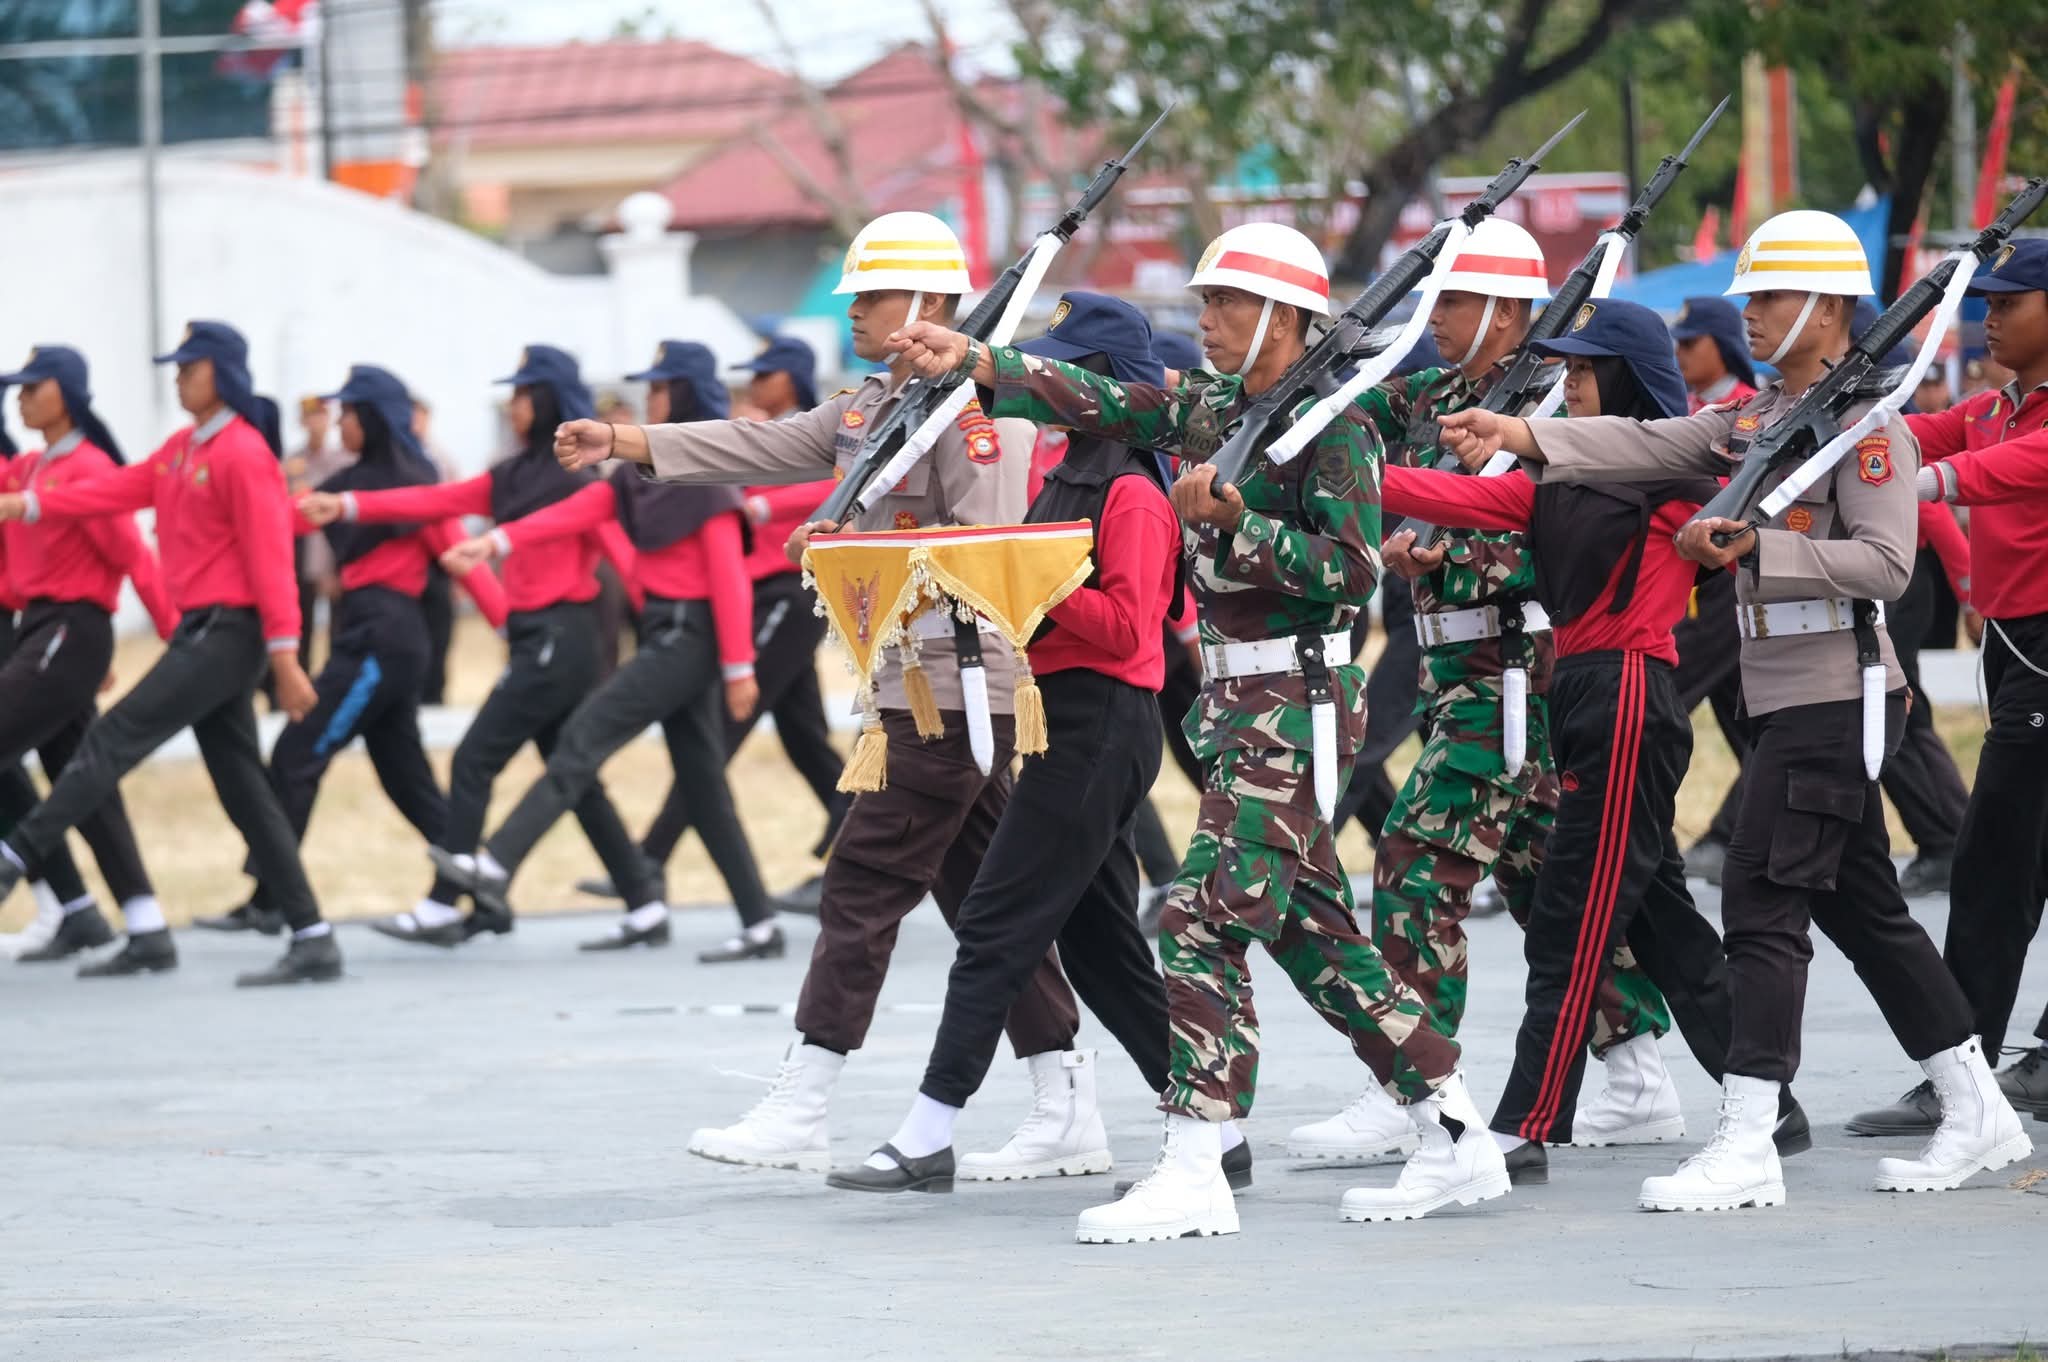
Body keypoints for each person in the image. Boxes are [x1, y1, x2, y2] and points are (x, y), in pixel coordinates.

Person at [891, 221, 1505, 1239]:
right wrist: (979, 359)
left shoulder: (1332, 423)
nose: (1205, 319)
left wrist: (1233, 523)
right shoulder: (1222, 406)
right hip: (1237, 708)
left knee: (1195, 916)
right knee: (1317, 941)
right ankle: (1455, 1137)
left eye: (1223, 303)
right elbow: (1107, 398)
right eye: (1206, 302)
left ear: (1279, 315)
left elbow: (1350, 574)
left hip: (1296, 702)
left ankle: (1195, 1157)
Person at [1437, 210, 2031, 1208]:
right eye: (1749, 298)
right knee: (1867, 915)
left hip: (1833, 698)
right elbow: (1649, 441)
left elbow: (1885, 567)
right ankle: (1975, 1106)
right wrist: (1522, 433)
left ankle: (1750, 1132)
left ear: (1827, 307)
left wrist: (1762, 551)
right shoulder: (1761, 419)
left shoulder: (1865, 428)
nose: (1748, 316)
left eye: (1767, 298)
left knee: (1756, 899)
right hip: (1781, 695)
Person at [553, 211, 1088, 1178]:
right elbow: (757, 447)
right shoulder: (870, 406)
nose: (857, 313)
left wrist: (845, 548)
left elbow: (987, 552)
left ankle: (805, 1100)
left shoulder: (980, 413)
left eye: (874, 298)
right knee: (984, 906)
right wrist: (626, 440)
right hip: (910, 683)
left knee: (860, 886)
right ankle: (1065, 1096)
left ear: (928, 304)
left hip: (956, 686)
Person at [1384, 299, 1810, 1182]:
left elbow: (1755, 510)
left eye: (1582, 370)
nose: (1567, 384)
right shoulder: (1562, 476)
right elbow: (1468, 499)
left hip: (1625, 694)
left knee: (1571, 923)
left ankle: (1528, 1123)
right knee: (1662, 924)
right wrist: (1344, 475)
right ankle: (1773, 1107)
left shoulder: (1674, 480)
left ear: (1621, 377)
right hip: (1580, 696)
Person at [1292, 219, 1674, 1162]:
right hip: (1454, 671)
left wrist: (1450, 547)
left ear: (1509, 313)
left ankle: (1412, 1081)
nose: (1439, 320)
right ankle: (1634, 1070)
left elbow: (1566, 536)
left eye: (1455, 302)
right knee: (1544, 876)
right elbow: (1346, 418)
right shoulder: (1438, 396)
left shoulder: (1557, 411)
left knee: (1418, 859)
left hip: (1514, 673)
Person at [827, 293, 1217, 1196]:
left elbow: (1127, 629)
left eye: (1069, 371)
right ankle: (1207, 1116)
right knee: (1100, 946)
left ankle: (928, 1133)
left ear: (1103, 387)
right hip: (1069, 721)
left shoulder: (1131, 491)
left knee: (996, 922)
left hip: (1100, 725)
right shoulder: (1074, 471)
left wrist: (1008, 582)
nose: (1049, 389)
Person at [0, 321, 343, 988]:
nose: (180, 376)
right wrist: (30, 504)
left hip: (230, 634)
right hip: (201, 630)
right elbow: (116, 490)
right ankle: (313, 933)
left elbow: (273, 560)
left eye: (191, 366)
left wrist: (286, 656)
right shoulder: (181, 449)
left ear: (222, 372)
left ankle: (16, 855)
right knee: (244, 787)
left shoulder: (243, 453)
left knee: (111, 740)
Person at [300, 345, 659, 946]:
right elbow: (434, 501)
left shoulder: (585, 477)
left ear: (545, 400)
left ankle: (444, 908)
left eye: (523, 394)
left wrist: (664, 630)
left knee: (473, 758)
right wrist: (348, 504)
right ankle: (646, 906)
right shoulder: (511, 474)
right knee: (574, 775)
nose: (513, 405)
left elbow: (625, 555)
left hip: (563, 639)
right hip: (535, 640)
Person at [431, 341, 776, 959]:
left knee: (583, 736)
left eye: (662, 388)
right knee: (703, 786)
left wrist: (738, 668)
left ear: (688, 393)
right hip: (668, 635)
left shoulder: (706, 474)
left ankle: (497, 862)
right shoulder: (647, 471)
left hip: (687, 639)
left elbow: (728, 576)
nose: (651, 398)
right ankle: (760, 924)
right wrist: (496, 544)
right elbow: (578, 508)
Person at [1849, 237, 2048, 1136]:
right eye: (1987, 300)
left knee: (1993, 858)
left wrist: (1928, 481)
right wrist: (1836, 417)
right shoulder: (1991, 405)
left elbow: (2011, 468)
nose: (1989, 315)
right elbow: (1892, 431)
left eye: (2009, 301)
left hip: (2043, 650)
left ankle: (1963, 1070)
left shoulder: (2024, 423)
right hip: (2015, 645)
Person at [195, 365, 508, 936]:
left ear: (373, 417)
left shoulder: (416, 482)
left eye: (348, 413)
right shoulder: (346, 480)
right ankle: (486, 894)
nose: (338, 421)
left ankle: (270, 899)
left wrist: (510, 631)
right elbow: (280, 521)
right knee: (406, 780)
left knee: (298, 752)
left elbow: (460, 553)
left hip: (382, 641)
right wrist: (209, 524)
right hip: (371, 634)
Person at [578, 335, 850, 925]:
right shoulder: (754, 428)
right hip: (758, 589)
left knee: (723, 729)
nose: (754, 384)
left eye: (766, 374)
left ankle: (650, 857)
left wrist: (759, 508)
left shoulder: (820, 428)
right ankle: (850, 856)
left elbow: (840, 483)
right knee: (803, 737)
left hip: (786, 590)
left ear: (793, 380)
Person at [0, 349, 178, 970]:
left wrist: (175, 634)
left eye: (31, 388)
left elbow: (133, 554)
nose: (19, 399)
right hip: (44, 631)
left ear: (66, 396)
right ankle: (146, 926)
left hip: (72, 629)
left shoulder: (89, 468)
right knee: (87, 780)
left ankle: (19, 865)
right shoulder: (28, 467)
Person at [1667, 296, 1760, 884]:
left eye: (1690, 342)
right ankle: (1743, 836)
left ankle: (1636, 827)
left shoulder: (1750, 411)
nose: (1679, 353)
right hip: (1696, 584)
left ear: (1722, 344)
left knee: (1657, 704)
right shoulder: (1691, 408)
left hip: (1724, 584)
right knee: (1753, 725)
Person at [409, 397, 457, 706]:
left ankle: (435, 695)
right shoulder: (396, 457)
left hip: (439, 560)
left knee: (439, 633)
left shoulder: (442, 459)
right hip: (411, 558)